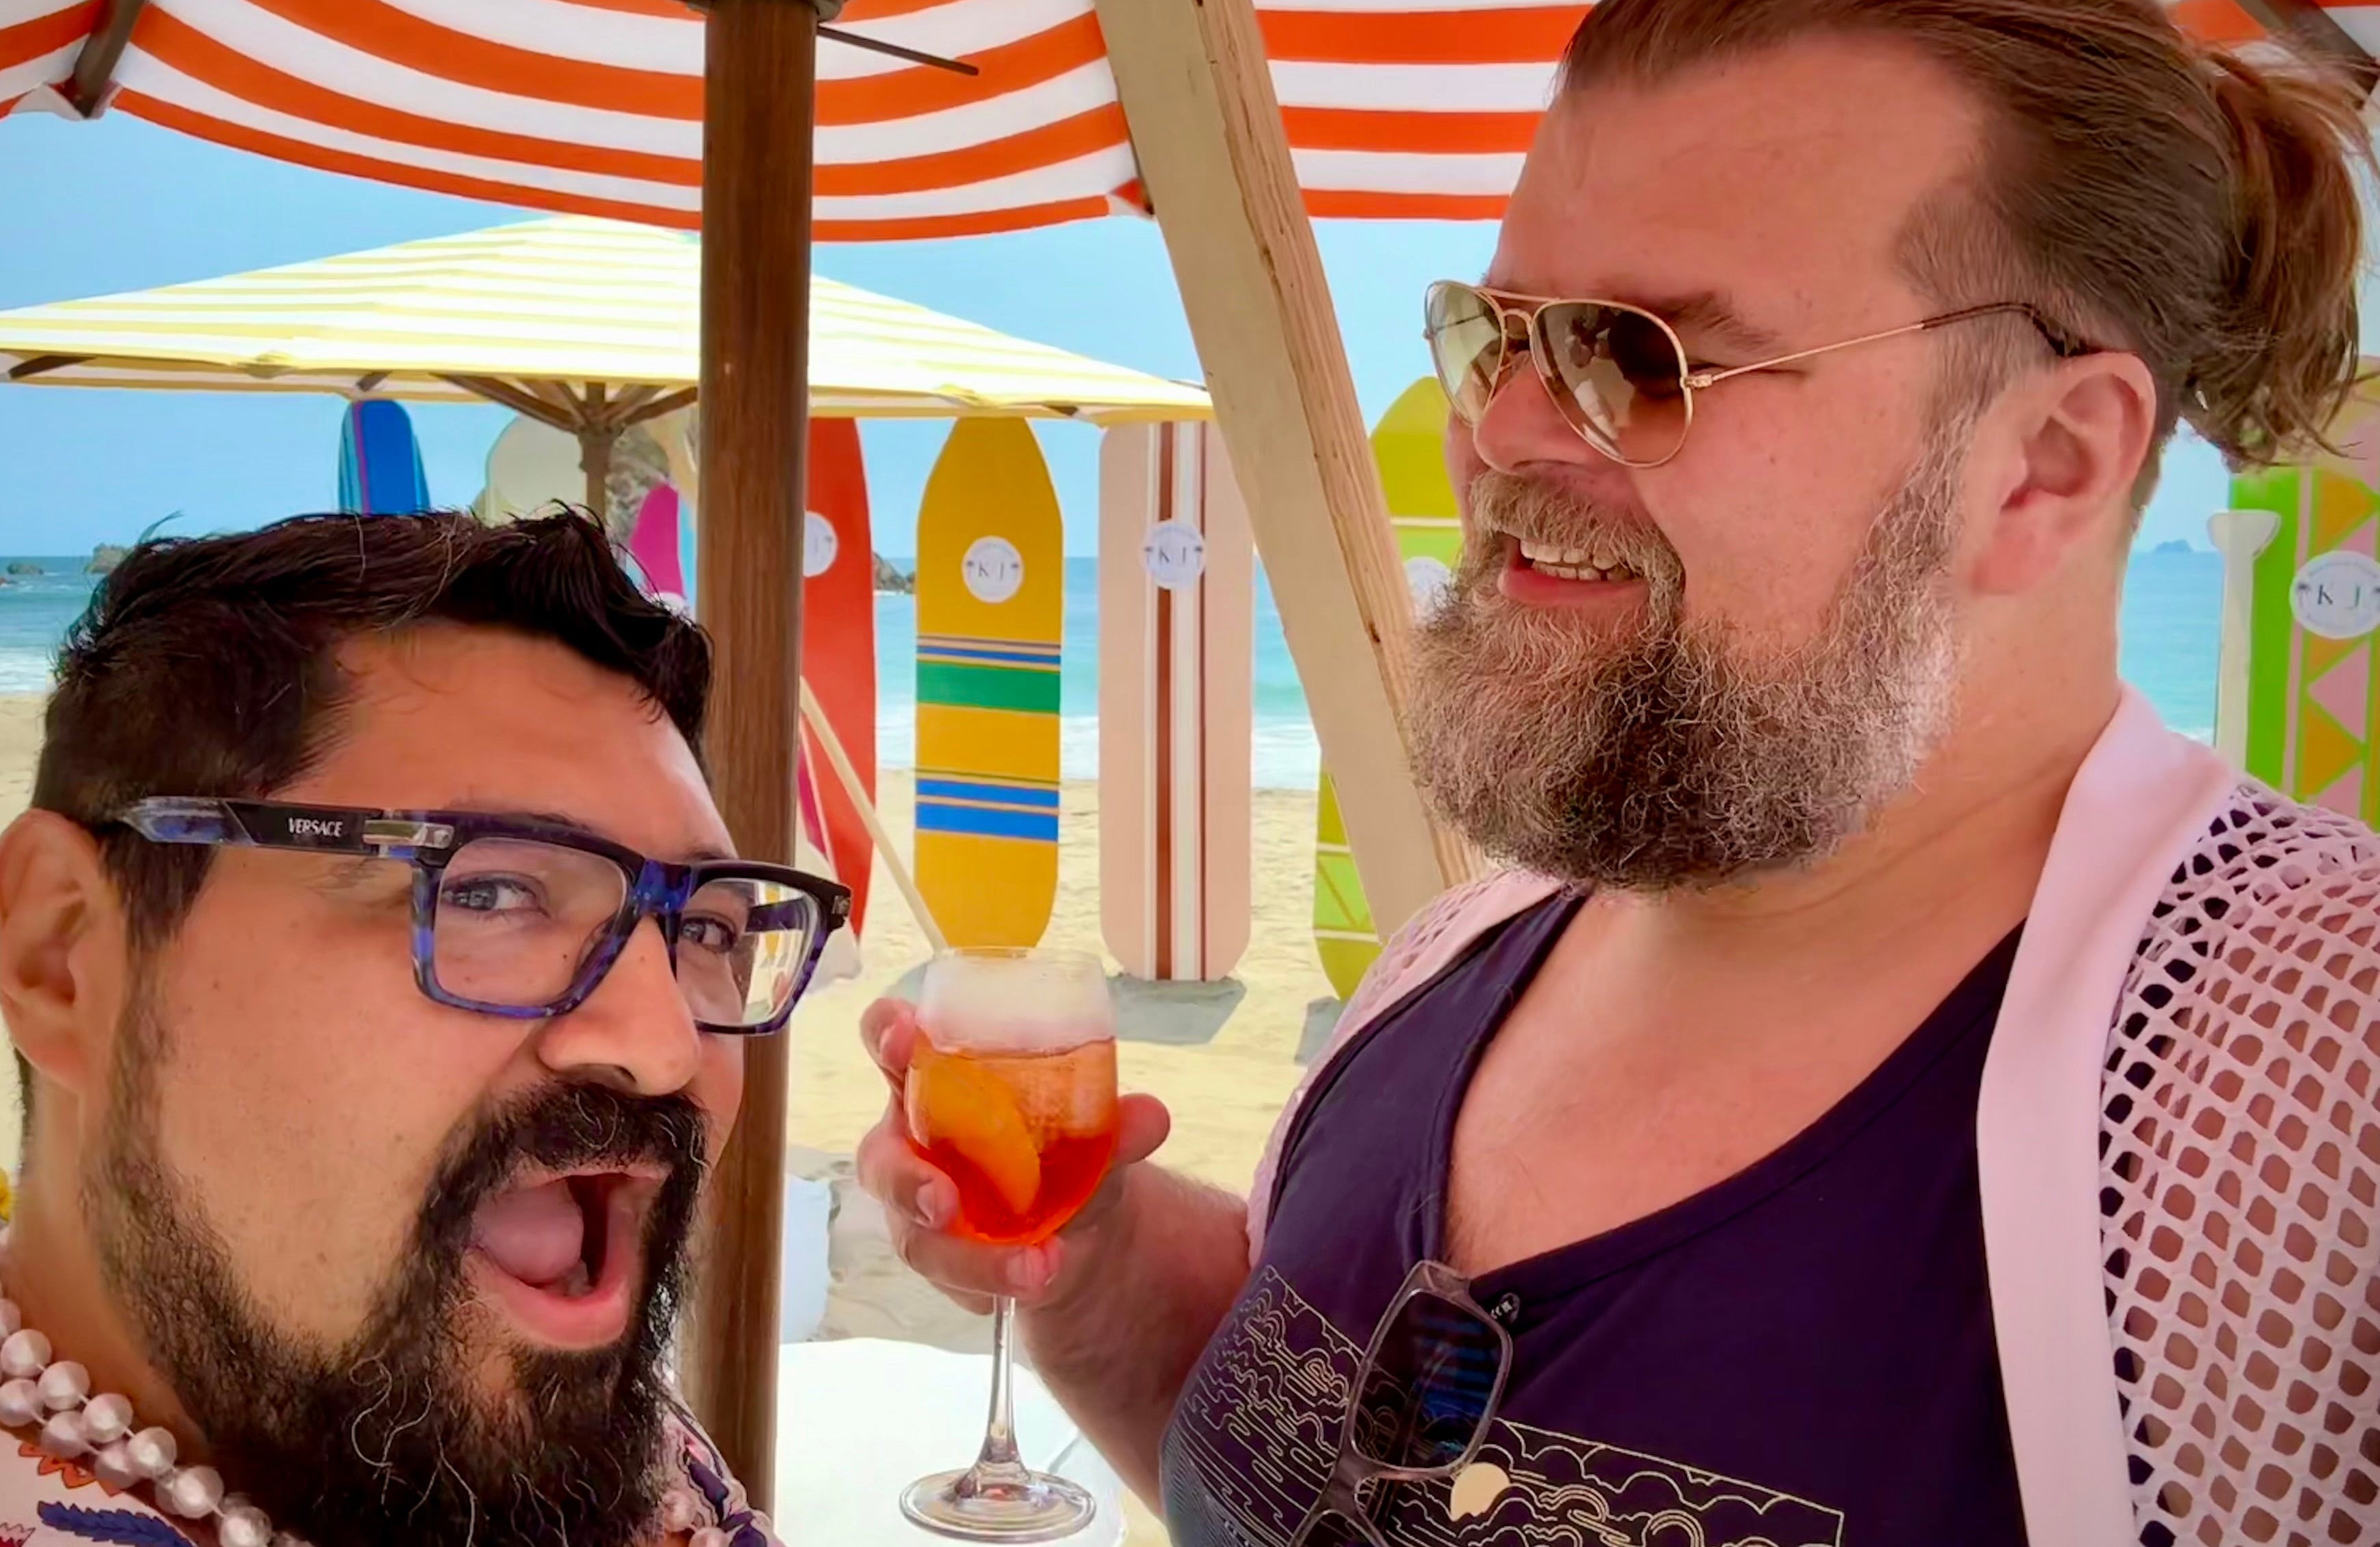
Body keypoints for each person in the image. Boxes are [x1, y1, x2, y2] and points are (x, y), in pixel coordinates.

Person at [856, 3, 2380, 1542]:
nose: (1497, 433)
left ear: (2046, 461)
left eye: (1641, 357)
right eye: (1497, 335)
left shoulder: (2319, 1077)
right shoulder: (1464, 949)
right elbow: (1313, 1478)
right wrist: (1101, 1263)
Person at [0, 512, 849, 1547]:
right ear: (61, 962)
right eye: (488, 892)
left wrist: (1023, 1317)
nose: (663, 1047)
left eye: (703, 926)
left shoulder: (481, 1418)